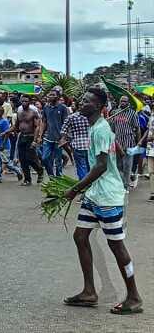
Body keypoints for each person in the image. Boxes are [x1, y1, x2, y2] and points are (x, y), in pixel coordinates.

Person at [63, 88, 143, 315]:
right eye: (82, 99)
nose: (81, 102)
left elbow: (100, 166)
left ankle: (134, 296)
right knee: (80, 236)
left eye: (86, 101)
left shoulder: (99, 129)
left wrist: (75, 188)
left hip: (107, 196)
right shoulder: (98, 127)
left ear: (98, 106)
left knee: (116, 245)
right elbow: (113, 150)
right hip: (95, 194)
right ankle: (89, 291)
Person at [108, 96, 140, 189]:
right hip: (117, 143)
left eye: (125, 101)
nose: (123, 102)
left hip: (129, 143)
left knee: (127, 166)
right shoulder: (115, 113)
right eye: (121, 101)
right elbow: (112, 129)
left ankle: (125, 186)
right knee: (118, 165)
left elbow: (137, 128)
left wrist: (138, 143)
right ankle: (120, 184)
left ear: (128, 103)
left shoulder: (132, 113)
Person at [15, 96, 44, 186]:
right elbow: (16, 125)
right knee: (22, 159)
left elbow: (37, 127)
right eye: (22, 101)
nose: (24, 103)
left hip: (30, 136)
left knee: (30, 158)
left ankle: (40, 170)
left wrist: (35, 140)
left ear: (29, 102)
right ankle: (27, 179)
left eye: (26, 101)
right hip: (22, 136)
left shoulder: (33, 113)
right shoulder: (19, 112)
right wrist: (8, 132)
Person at [40, 90, 69, 178]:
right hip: (48, 137)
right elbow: (44, 122)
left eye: (53, 95)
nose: (50, 96)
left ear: (57, 97)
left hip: (59, 138)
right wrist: (40, 135)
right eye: (49, 95)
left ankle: (58, 178)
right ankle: (51, 175)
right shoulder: (46, 107)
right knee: (44, 158)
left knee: (58, 160)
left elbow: (66, 123)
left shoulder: (63, 108)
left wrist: (64, 138)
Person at [0, 106, 22, 182]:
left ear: (1, 113)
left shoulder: (4, 121)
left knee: (6, 162)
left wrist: (3, 145)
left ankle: (17, 170)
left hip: (4, 146)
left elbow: (7, 134)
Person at [60, 107, 90, 181]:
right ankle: (90, 182)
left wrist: (66, 138)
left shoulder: (71, 117)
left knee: (81, 166)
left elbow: (63, 131)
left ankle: (83, 183)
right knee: (89, 165)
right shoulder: (91, 116)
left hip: (77, 145)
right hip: (90, 145)